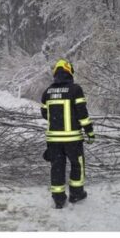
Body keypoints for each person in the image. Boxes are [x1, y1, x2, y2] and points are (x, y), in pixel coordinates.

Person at [40, 59, 95, 209]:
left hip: (53, 140)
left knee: (57, 168)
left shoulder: (47, 92)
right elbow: (82, 113)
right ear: (69, 71)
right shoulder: (75, 89)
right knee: (77, 166)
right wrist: (89, 131)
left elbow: (45, 113)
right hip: (73, 139)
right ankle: (76, 194)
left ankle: (58, 199)